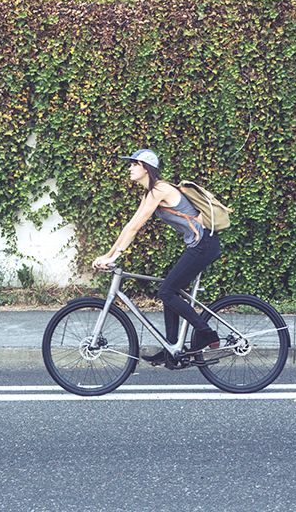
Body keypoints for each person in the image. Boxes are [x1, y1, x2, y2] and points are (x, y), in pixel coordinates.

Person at [90, 148, 221, 366]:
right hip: (199, 244)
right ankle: (173, 349)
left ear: (146, 168)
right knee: (170, 291)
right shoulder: (150, 192)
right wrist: (109, 254)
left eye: (134, 164)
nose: (129, 168)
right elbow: (130, 226)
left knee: (166, 292)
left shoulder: (159, 189)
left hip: (204, 244)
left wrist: (114, 256)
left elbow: (135, 228)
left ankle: (207, 333)